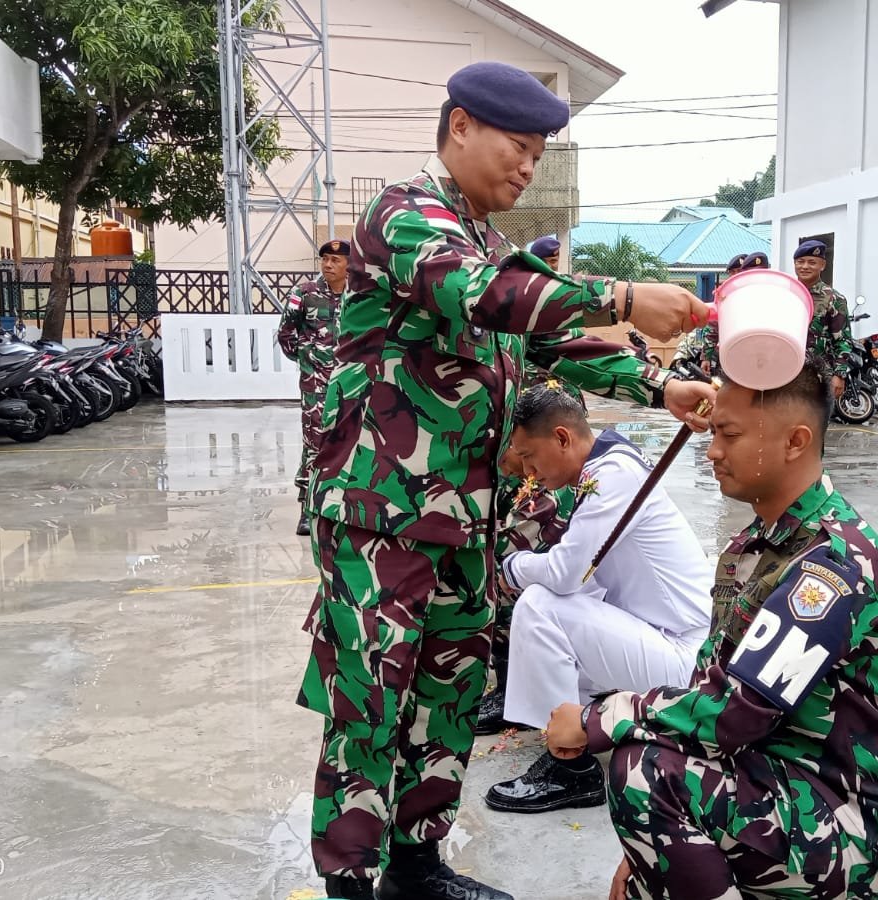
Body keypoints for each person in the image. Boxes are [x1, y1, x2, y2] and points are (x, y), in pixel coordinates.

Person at [298, 61, 714, 900]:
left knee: (447, 700)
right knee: (371, 704)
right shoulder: (405, 217)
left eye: (537, 153)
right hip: (384, 517)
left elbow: (550, 345)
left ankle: (417, 865)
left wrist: (662, 387)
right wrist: (625, 296)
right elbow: (491, 299)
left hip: (463, 522)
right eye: (516, 147)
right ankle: (350, 881)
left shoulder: (491, 244)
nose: (527, 167)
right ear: (459, 128)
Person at [542, 364, 878, 900]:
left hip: (865, 822)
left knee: (642, 770)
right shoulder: (754, 548)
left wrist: (597, 718)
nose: (712, 452)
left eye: (729, 435)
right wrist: (644, 855)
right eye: (713, 435)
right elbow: (706, 688)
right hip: (797, 775)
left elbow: (736, 712)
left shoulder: (832, 566)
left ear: (795, 441)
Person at [482, 385, 712, 815]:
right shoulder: (606, 468)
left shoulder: (612, 475)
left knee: (539, 604)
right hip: (664, 639)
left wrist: (511, 568)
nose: (528, 471)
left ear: (563, 438)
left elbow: (566, 574)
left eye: (530, 456)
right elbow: (584, 581)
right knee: (551, 612)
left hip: (685, 658)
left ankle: (570, 768)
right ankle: (573, 723)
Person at [474, 438, 579, 736]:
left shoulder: (546, 481)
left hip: (541, 473)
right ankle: (511, 683)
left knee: (498, 570)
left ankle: (516, 691)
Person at [278, 239, 349, 536]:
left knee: (348, 441)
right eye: (325, 259)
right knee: (315, 441)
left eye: (336, 260)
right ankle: (307, 508)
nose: (329, 265)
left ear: (349, 264)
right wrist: (310, 361)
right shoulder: (304, 293)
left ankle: (341, 506)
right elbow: (286, 334)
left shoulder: (359, 295)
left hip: (350, 381)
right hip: (316, 383)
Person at [792, 240, 857, 400]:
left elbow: (842, 340)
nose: (805, 266)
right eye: (800, 262)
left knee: (813, 423)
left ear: (822, 265)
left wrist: (839, 375)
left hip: (818, 376)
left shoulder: (834, 298)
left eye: (812, 262)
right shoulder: (785, 293)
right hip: (785, 372)